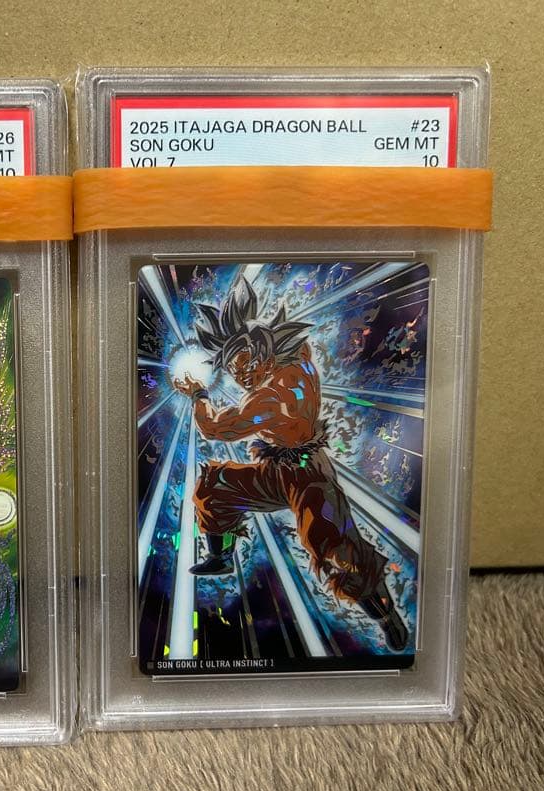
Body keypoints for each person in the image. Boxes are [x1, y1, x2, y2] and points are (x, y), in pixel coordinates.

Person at [171, 277, 409, 651]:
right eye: (234, 369)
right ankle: (221, 555)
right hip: (276, 469)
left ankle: (385, 615)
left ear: (262, 351)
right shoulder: (298, 358)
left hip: (309, 477)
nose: (240, 376)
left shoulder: (271, 397)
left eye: (243, 363)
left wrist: (199, 394)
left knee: (334, 549)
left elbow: (216, 428)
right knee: (216, 483)